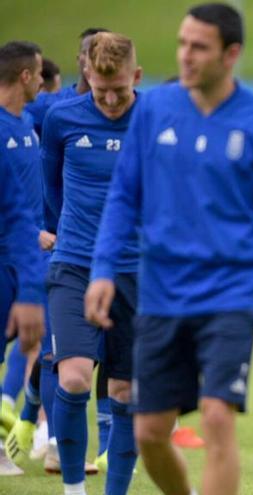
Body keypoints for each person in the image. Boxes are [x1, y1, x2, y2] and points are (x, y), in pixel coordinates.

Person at [84, 4, 253, 494]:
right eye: (182, 43)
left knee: (217, 416)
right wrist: (102, 270)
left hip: (230, 295)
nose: (185, 55)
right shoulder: (155, 110)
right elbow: (124, 195)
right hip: (160, 295)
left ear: (231, 54)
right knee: (149, 433)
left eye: (198, 46)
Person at [32, 31, 143, 495]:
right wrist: (68, 232)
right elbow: (51, 186)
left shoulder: (156, 119)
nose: (112, 100)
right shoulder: (62, 119)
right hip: (75, 263)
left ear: (136, 76)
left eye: (120, 90)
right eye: (101, 91)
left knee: (126, 393)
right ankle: (74, 490)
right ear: (87, 77)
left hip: (138, 271)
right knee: (74, 377)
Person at [0, 39, 47, 476]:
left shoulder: (28, 122)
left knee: (35, 339)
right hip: (9, 257)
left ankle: (26, 423)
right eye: (39, 73)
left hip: (25, 260)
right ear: (25, 76)